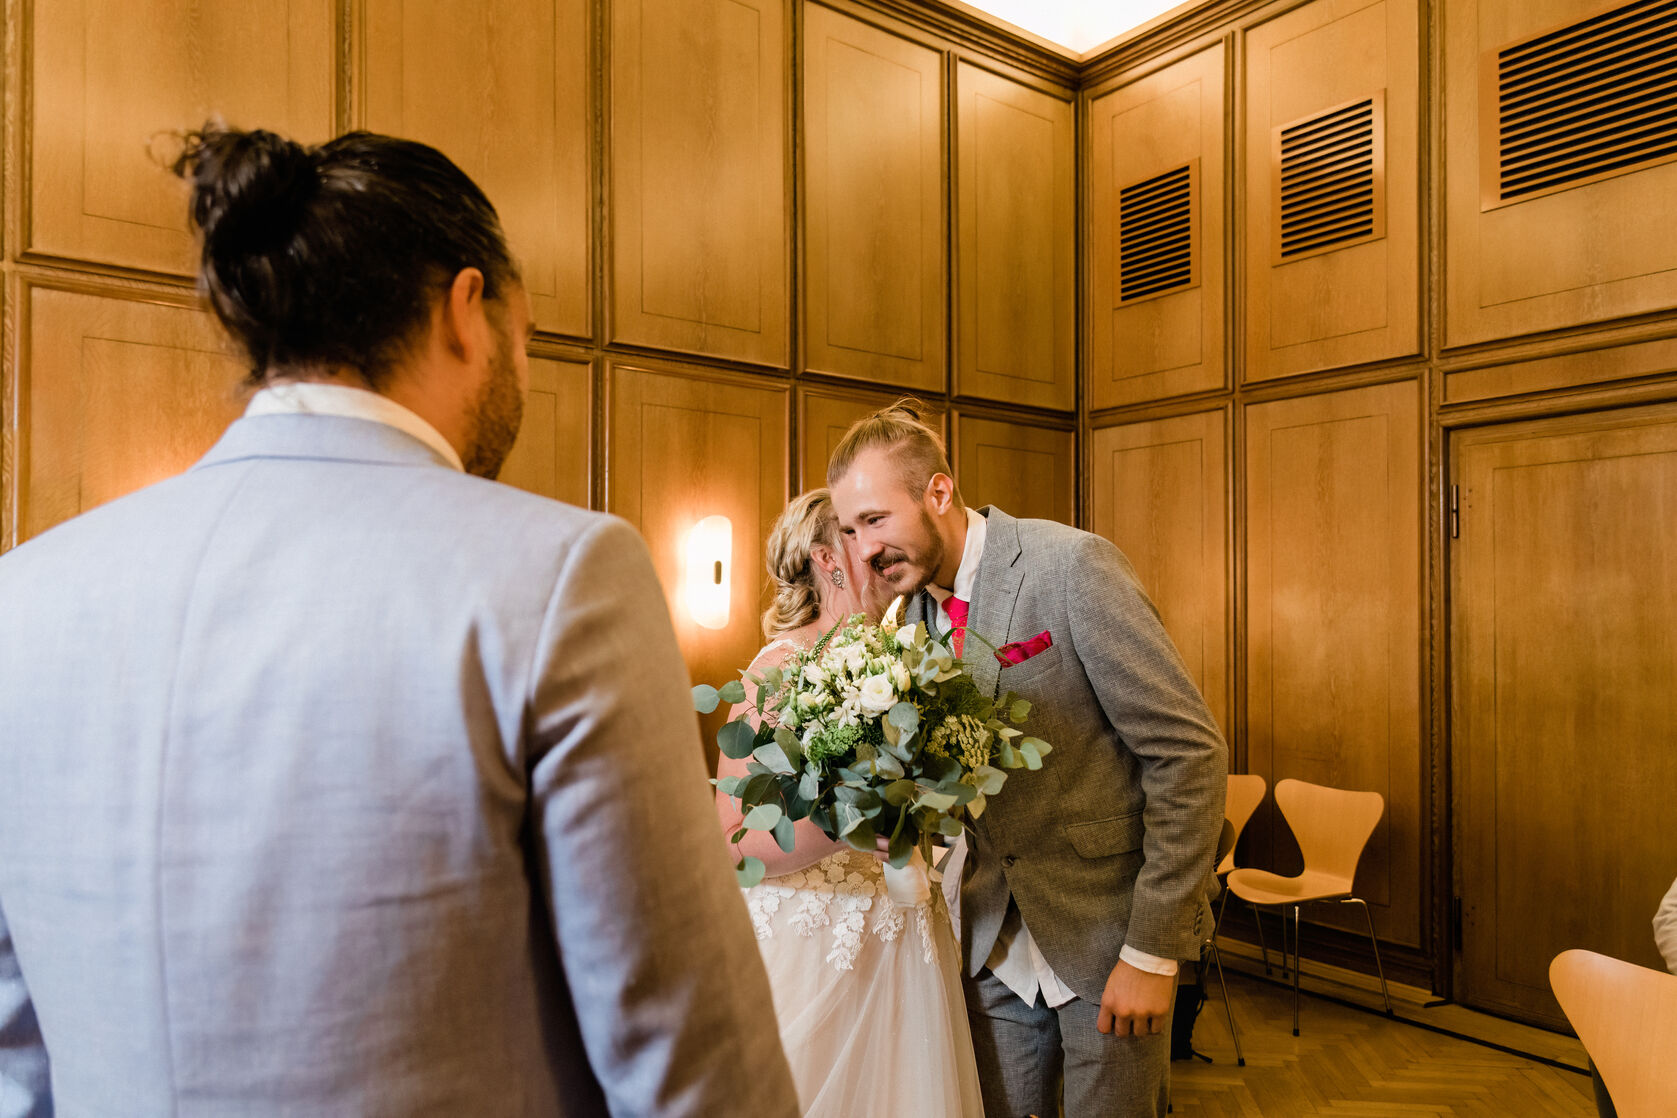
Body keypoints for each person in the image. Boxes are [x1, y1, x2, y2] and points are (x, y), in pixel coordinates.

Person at [0, 125, 799, 1117]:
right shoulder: (561, 577)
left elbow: (16, 1060)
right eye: (526, 337)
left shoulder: (21, 597)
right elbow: (691, 1060)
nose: (524, 368)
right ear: (468, 309)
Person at [828, 402, 1227, 1118]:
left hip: (1106, 939)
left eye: (875, 520)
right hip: (991, 945)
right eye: (849, 530)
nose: (863, 549)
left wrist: (1152, 951)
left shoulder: (1069, 565)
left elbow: (1187, 754)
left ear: (939, 492)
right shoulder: (911, 617)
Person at [713, 489, 984, 1116]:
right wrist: (850, 826)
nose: (880, 553)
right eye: (858, 539)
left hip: (904, 936)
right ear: (827, 559)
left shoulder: (913, 663)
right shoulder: (775, 673)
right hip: (809, 943)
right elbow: (730, 839)